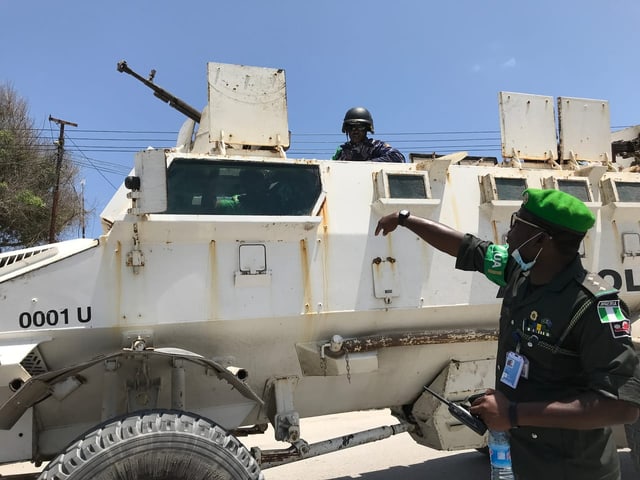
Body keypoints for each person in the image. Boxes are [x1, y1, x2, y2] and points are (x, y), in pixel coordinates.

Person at [375, 189, 640, 480]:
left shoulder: (594, 305)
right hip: (521, 460)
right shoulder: (519, 274)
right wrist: (405, 219)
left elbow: (621, 407)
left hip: (572, 468)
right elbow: (467, 248)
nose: (509, 234)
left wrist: (513, 413)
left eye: (517, 224)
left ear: (541, 240)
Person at [332, 107, 405, 163]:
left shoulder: (375, 146)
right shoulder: (342, 152)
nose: (356, 131)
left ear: (367, 129)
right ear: (346, 129)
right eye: (352, 128)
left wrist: (367, 165)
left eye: (360, 127)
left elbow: (397, 157)